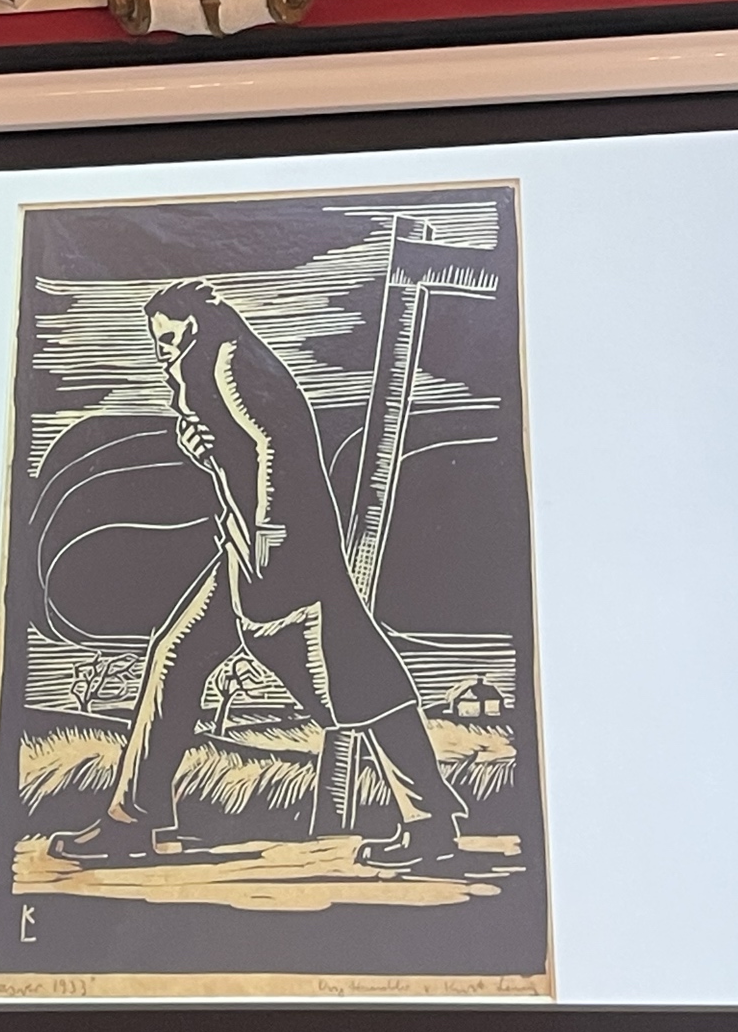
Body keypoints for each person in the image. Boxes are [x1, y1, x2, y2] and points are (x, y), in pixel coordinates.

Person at [49, 279, 464, 873]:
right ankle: (133, 820)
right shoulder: (209, 366)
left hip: (284, 553)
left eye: (167, 339)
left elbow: (277, 446)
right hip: (244, 548)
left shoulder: (231, 361)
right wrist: (204, 452)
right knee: (176, 655)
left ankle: (429, 824)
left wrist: (270, 535)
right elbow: (239, 450)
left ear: (193, 327)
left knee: (356, 680)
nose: (161, 351)